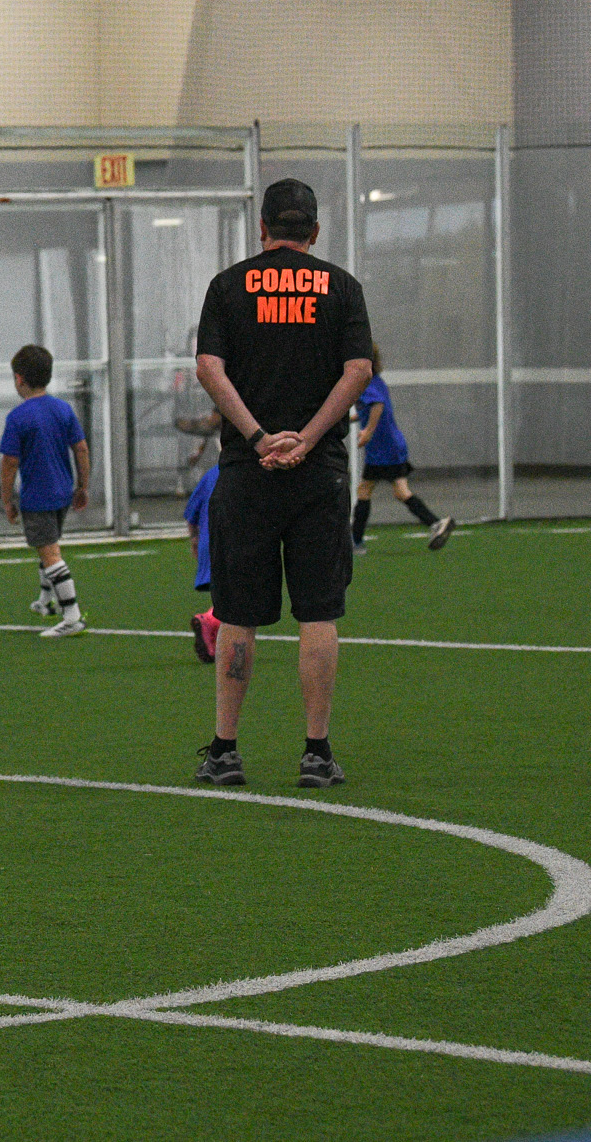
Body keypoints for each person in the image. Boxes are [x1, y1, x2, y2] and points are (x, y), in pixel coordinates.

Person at [192, 177, 373, 789]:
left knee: (237, 615)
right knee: (318, 613)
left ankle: (225, 751)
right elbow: (358, 370)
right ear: (314, 231)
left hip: (248, 473)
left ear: (263, 228)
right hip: (319, 474)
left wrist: (258, 437)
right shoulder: (341, 288)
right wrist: (310, 438)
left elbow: (208, 367)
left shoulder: (228, 286)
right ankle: (316, 752)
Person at [0, 344, 91, 638]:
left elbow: (10, 463)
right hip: (63, 493)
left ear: (19, 379)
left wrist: (6, 499)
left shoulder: (18, 417)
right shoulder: (63, 409)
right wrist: (83, 486)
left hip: (37, 497)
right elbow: (81, 448)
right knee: (48, 545)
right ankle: (46, 600)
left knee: (50, 553)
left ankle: (72, 616)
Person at [351, 346, 455, 554]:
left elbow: (378, 405)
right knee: (400, 491)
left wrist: (368, 431)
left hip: (383, 449)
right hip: (392, 445)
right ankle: (436, 523)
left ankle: (355, 542)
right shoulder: (376, 381)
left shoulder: (366, 383)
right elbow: (369, 408)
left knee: (365, 489)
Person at [182, 460, 220, 664]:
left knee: (231, 596)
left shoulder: (212, 473)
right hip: (236, 543)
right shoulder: (252, 472)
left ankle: (213, 634)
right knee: (246, 598)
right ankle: (210, 621)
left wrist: (195, 541)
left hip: (208, 543)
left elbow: (191, 515)